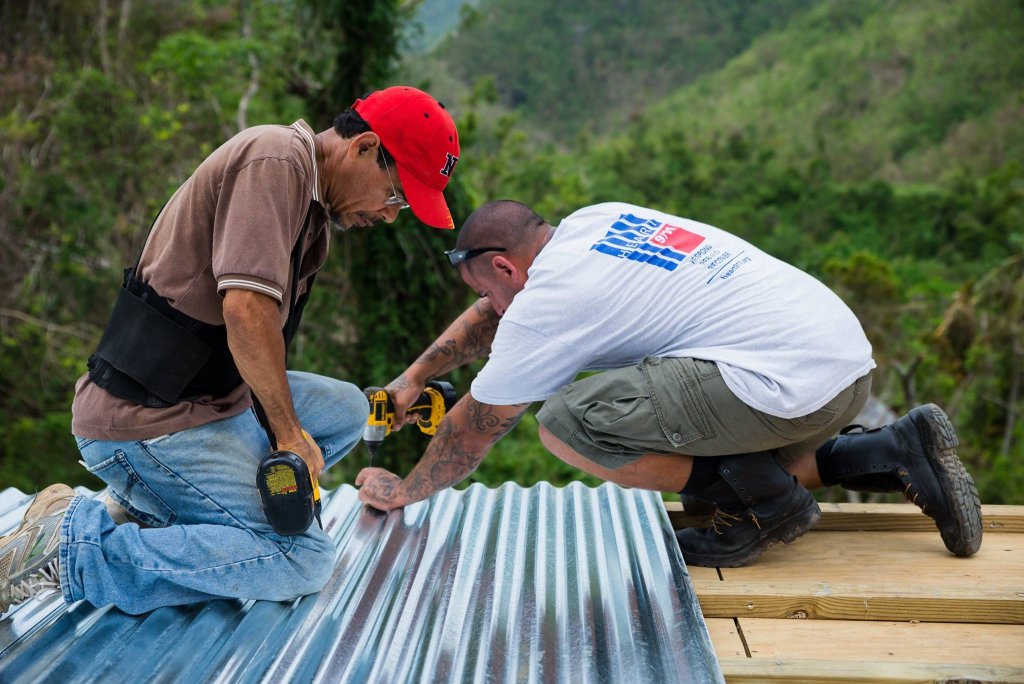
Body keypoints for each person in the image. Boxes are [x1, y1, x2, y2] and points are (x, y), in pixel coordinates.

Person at [0, 86, 461, 616]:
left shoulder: (311, 210)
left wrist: (290, 429)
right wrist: (287, 433)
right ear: (363, 147)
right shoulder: (275, 160)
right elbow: (245, 310)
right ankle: (69, 549)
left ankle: (153, 510)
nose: (389, 215)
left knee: (349, 410)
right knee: (299, 560)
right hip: (152, 417)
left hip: (213, 399)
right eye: (396, 195)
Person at [355, 200, 983, 568]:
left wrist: (405, 489)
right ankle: (892, 449)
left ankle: (764, 507)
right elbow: (501, 314)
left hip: (780, 385)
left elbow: (479, 423)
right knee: (706, 420)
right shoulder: (590, 224)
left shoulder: (551, 298)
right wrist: (416, 377)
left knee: (569, 423)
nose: (493, 304)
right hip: (839, 370)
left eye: (489, 289)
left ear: (504, 265)